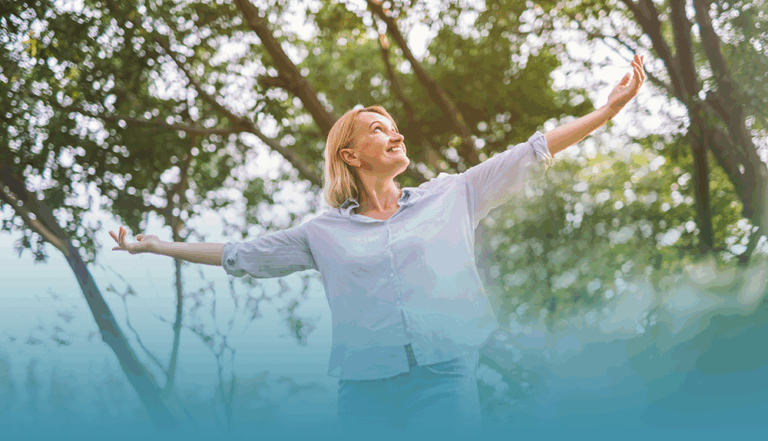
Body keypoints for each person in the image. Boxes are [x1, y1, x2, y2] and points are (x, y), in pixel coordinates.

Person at [110, 54, 645, 439]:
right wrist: (158, 246)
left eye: (395, 127)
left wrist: (607, 111)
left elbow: (532, 150)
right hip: (363, 389)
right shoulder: (322, 233)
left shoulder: (452, 194)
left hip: (444, 375)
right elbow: (241, 255)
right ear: (350, 155)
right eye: (378, 129)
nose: (396, 135)